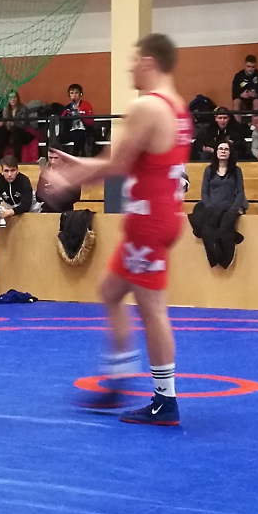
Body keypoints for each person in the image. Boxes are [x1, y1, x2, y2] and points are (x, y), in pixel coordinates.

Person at [47, 33, 192, 426]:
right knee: (111, 290)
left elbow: (116, 165)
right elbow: (127, 160)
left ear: (148, 61)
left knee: (152, 309)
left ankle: (165, 400)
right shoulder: (178, 107)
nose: (129, 68)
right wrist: (78, 163)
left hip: (149, 221)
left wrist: (68, 178)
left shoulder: (147, 107)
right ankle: (118, 378)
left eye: (132, 61)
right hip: (160, 214)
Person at [188, 141, 247, 268]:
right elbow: (204, 192)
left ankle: (227, 260)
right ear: (216, 152)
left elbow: (240, 192)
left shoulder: (236, 171)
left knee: (224, 230)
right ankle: (214, 259)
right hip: (212, 208)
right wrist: (209, 206)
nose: (223, 151)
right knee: (207, 232)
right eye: (220, 149)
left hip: (229, 209)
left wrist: (234, 209)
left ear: (230, 153)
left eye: (226, 149)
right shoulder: (209, 170)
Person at [0, 155, 33, 225]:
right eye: (6, 171)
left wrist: (10, 212)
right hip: (8, 205)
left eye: (12, 170)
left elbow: (26, 205)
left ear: (17, 171)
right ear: (2, 171)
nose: (9, 174)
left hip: (29, 207)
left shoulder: (24, 180)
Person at [35, 147, 80, 213]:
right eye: (50, 158)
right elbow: (38, 197)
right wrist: (45, 193)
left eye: (56, 158)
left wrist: (56, 193)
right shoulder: (45, 172)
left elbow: (76, 196)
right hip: (47, 210)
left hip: (65, 211)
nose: (52, 161)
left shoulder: (72, 173)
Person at [60, 83, 95, 156]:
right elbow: (62, 119)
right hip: (70, 131)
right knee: (57, 138)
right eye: (72, 93)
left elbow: (90, 122)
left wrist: (79, 113)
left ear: (80, 94)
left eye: (76, 93)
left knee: (79, 137)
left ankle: (76, 156)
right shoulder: (67, 107)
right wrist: (68, 114)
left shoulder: (86, 105)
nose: (74, 95)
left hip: (83, 130)